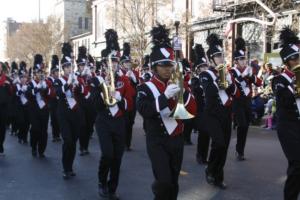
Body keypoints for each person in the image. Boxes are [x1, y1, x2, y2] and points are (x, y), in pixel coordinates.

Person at [137, 24, 196, 200]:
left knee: (174, 182)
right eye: (162, 66)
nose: (167, 69)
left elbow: (193, 111)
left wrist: (183, 94)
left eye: (170, 65)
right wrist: (163, 97)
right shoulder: (145, 88)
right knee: (163, 182)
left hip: (176, 139)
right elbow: (144, 110)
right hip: (157, 140)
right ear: (154, 68)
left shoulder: (178, 83)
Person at [91, 29, 133, 200]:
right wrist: (103, 92)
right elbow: (93, 105)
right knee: (107, 154)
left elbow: (130, 103)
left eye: (115, 62)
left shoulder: (124, 80)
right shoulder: (97, 81)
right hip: (103, 121)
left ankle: (112, 187)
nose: (113, 65)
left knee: (118, 157)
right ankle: (102, 181)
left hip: (119, 121)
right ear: (104, 64)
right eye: (110, 62)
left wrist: (120, 99)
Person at [200, 33, 236, 189]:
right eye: (217, 56)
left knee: (225, 147)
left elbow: (233, 91)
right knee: (219, 143)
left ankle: (218, 177)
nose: (221, 58)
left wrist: (228, 82)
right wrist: (220, 83)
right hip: (212, 114)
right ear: (211, 59)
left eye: (221, 55)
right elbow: (209, 93)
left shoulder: (227, 73)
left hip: (226, 114)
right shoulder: (205, 74)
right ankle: (210, 168)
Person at [272, 27, 300, 200]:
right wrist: (296, 83)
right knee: (297, 164)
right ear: (288, 62)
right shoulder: (279, 80)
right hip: (288, 126)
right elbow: (284, 101)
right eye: (296, 58)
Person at [54, 43, 84, 179]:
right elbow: (58, 93)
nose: (69, 68)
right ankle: (65, 168)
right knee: (68, 141)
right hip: (64, 114)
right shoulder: (59, 81)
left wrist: (78, 84)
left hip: (75, 114)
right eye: (66, 67)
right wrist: (67, 84)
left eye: (70, 66)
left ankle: (70, 166)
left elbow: (82, 93)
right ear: (63, 68)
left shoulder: (76, 78)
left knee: (74, 140)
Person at [229, 37, 262, 161]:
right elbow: (231, 86)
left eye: (244, 59)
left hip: (247, 101)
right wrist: (242, 78)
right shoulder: (231, 72)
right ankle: (239, 151)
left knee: (245, 126)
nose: (244, 61)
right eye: (241, 59)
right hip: (237, 101)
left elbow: (259, 83)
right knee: (242, 125)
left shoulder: (249, 71)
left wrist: (251, 77)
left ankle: (240, 150)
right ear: (236, 61)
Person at [25, 54, 50, 158]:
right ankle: (34, 147)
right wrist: (37, 88)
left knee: (44, 131)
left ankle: (41, 150)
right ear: (34, 73)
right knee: (35, 129)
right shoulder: (31, 84)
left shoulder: (45, 83)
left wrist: (47, 89)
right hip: (34, 110)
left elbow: (51, 95)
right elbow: (28, 94)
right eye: (38, 73)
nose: (40, 74)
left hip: (44, 110)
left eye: (41, 72)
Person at [192, 44, 210, 165]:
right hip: (200, 110)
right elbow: (198, 91)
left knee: (207, 134)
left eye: (205, 66)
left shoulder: (209, 78)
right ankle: (200, 155)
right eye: (202, 67)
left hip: (209, 110)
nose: (205, 68)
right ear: (198, 69)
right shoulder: (195, 80)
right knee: (203, 134)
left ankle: (204, 155)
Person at [120, 42, 139, 151]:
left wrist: (134, 78)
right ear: (122, 64)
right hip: (123, 101)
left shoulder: (134, 73)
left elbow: (138, 85)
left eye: (129, 62)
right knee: (124, 122)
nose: (128, 64)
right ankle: (122, 143)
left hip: (133, 100)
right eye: (126, 63)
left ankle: (128, 143)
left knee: (130, 122)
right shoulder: (119, 74)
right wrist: (125, 77)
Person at [15, 62, 30, 144]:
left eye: (25, 77)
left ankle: (25, 137)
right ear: (19, 79)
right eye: (22, 78)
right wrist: (22, 90)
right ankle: (20, 136)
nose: (24, 79)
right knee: (21, 122)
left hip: (27, 106)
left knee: (27, 123)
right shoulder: (17, 85)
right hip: (20, 107)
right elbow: (17, 94)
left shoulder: (28, 85)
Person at [48, 55, 61, 142]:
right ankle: (54, 135)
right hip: (52, 102)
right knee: (53, 119)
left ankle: (58, 134)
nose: (57, 73)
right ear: (52, 73)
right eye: (56, 71)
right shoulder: (49, 80)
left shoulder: (59, 80)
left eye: (58, 71)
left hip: (59, 102)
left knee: (59, 118)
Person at [0, 62, 12, 156]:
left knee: (2, 128)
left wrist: (8, 85)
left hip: (3, 107)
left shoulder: (7, 79)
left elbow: (11, 92)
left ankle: (0, 145)